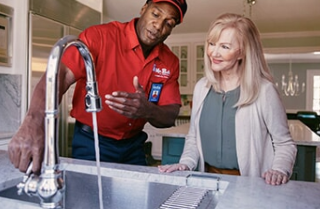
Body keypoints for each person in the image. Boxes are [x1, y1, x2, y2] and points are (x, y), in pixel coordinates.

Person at [8, 0, 187, 174]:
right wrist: (33, 122)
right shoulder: (99, 37)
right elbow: (58, 76)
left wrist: (148, 110)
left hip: (133, 147)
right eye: (155, 14)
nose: (158, 26)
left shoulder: (169, 61)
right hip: (91, 142)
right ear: (144, 8)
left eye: (168, 23)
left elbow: (170, 115)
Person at [158, 13, 297, 186]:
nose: (214, 53)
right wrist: (185, 163)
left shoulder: (264, 91)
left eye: (224, 47)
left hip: (251, 183)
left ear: (242, 53)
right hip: (207, 179)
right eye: (211, 44)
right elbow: (193, 138)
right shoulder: (202, 87)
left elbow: (284, 143)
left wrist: (279, 170)